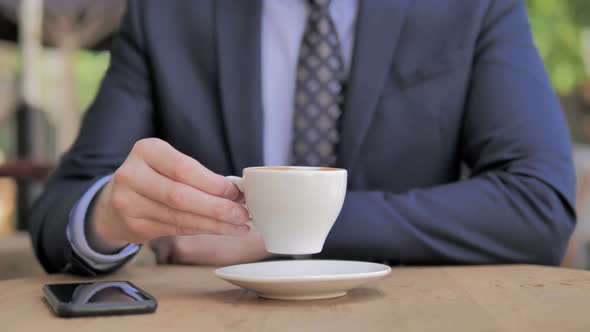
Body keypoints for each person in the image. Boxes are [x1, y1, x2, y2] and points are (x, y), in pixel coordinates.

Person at [30, 0, 576, 276]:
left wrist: (284, 234)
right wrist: (108, 216)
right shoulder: (167, 13)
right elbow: (62, 207)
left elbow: (537, 204)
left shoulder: (474, 7)